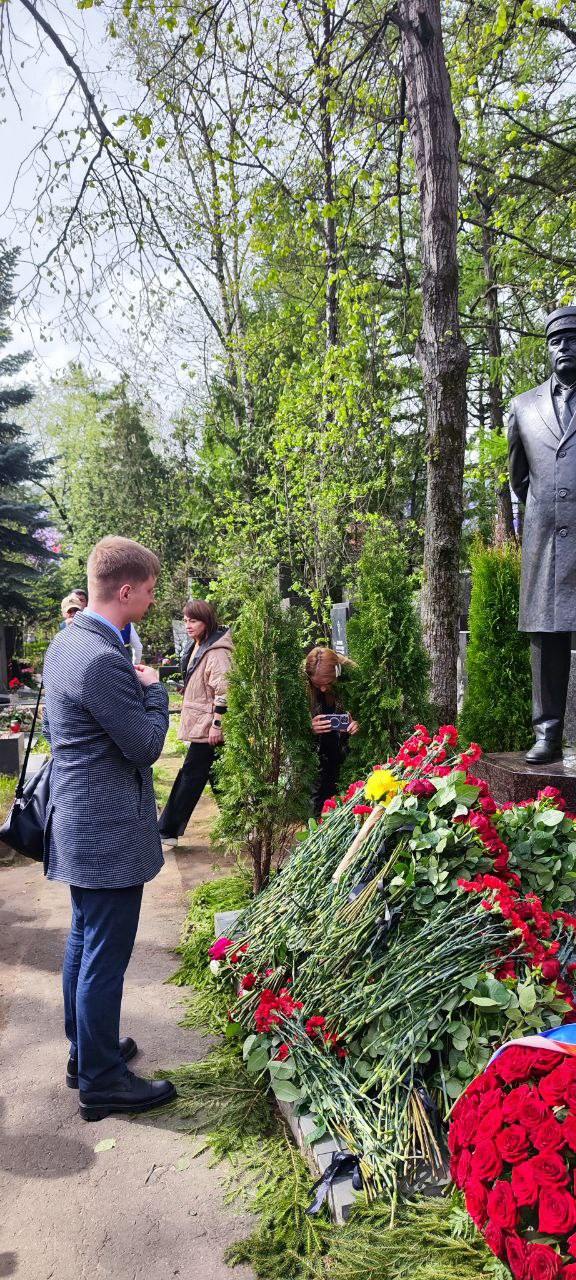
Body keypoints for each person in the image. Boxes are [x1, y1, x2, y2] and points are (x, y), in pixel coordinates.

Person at [42, 535, 176, 1121]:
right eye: (148, 591)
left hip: (79, 819)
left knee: (84, 938)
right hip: (106, 830)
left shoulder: (68, 641)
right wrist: (156, 690)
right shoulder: (101, 658)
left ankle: (86, 1052)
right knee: (104, 953)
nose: (151, 600)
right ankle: (101, 1081)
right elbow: (145, 746)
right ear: (124, 591)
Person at [508, 304, 576, 763]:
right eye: (556, 341)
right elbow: (520, 479)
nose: (564, 347)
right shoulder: (523, 407)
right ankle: (547, 733)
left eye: (573, 340)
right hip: (546, 539)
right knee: (547, 638)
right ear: (547, 349)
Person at [158, 600, 233, 849]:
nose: (188, 625)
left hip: (209, 725)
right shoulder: (199, 645)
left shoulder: (217, 652)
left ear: (206, 621)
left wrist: (217, 724)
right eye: (186, 620)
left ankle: (167, 830)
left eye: (193, 620)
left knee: (191, 775)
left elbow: (224, 690)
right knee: (217, 774)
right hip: (203, 722)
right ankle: (238, 823)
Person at [305, 646, 359, 816]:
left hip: (347, 754)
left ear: (337, 673)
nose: (322, 689)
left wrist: (359, 724)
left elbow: (371, 715)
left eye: (328, 683)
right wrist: (309, 727)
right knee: (316, 804)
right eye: (317, 685)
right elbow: (293, 727)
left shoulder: (354, 678)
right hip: (318, 756)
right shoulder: (301, 684)